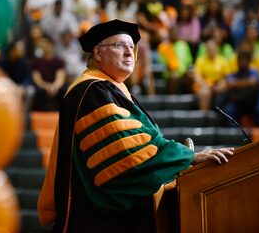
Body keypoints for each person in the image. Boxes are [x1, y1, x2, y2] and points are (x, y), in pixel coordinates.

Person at [38, 19, 234, 232]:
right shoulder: (92, 91)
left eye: (132, 47)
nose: (129, 52)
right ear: (98, 53)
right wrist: (187, 157)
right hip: (102, 221)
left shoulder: (113, 89)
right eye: (120, 45)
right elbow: (127, 152)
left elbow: (139, 140)